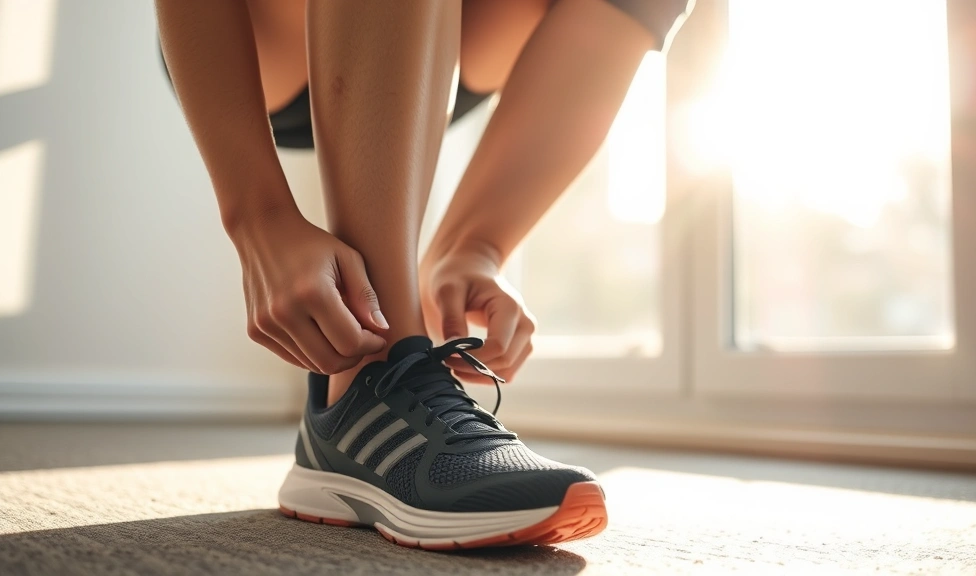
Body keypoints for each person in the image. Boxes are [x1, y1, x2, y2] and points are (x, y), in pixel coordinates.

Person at [156, 0, 692, 549]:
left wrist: (477, 247)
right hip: (253, 40)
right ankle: (373, 372)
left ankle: (354, 408)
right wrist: (257, 218)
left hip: (445, 44)